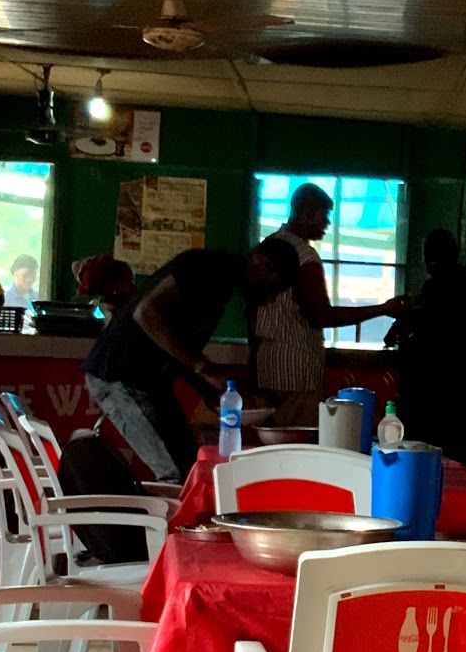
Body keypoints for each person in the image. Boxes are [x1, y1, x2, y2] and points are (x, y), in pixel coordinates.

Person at [84, 241, 298, 483]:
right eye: (274, 287)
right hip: (120, 373)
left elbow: (179, 345)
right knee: (176, 473)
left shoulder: (223, 283)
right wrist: (202, 368)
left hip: (148, 379)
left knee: (191, 466)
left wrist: (207, 388)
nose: (271, 298)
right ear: (260, 263)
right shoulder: (206, 268)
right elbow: (146, 313)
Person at [252, 183, 406, 426]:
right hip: (298, 368)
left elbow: (251, 311)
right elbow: (321, 315)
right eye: (323, 215)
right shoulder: (304, 256)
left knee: (271, 438)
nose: (327, 223)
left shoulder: (265, 247)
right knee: (298, 440)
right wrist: (382, 309)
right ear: (307, 212)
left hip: (266, 364)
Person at [388, 229, 466, 461]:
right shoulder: (465, 281)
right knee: (455, 452)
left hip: (436, 390)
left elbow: (431, 327)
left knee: (426, 451)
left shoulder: (436, 286)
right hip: (463, 385)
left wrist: (402, 323)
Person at [73, 253, 137, 318]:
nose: (133, 286)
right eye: (129, 280)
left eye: (132, 280)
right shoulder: (99, 312)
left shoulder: (130, 306)